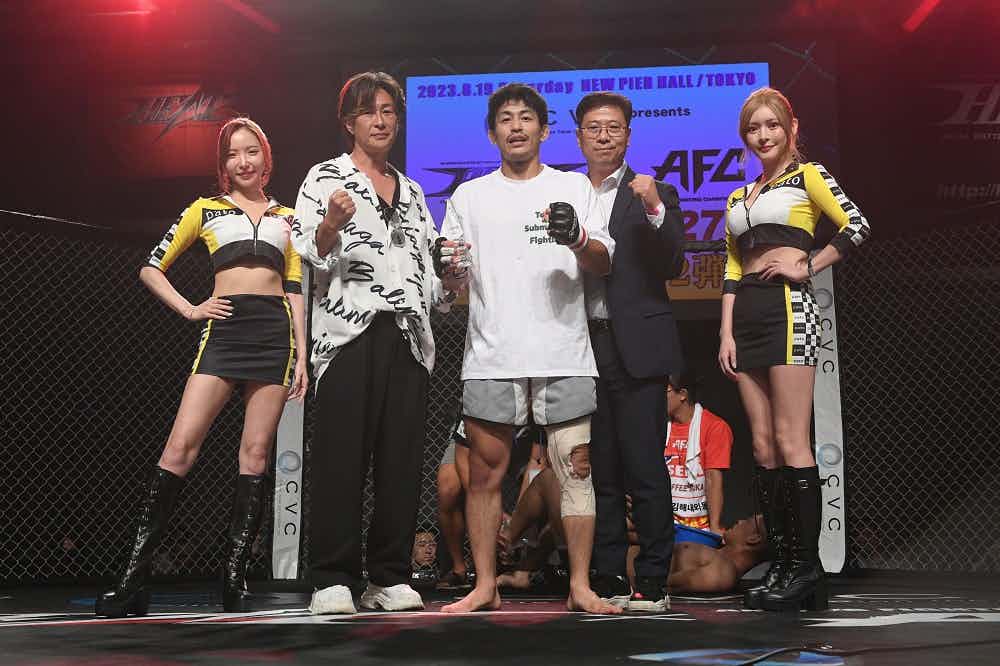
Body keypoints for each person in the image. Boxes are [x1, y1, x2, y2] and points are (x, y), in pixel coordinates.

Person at [96, 117, 308, 617]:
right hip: (224, 332)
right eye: (233, 154)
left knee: (255, 456)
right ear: (223, 165)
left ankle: (234, 581)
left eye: (251, 151)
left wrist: (303, 354)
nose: (243, 161)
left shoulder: (289, 218)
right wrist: (191, 309)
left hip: (274, 336)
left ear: (266, 156)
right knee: (179, 448)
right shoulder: (204, 209)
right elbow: (151, 268)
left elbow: (296, 289)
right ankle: (133, 581)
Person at [435, 83, 620, 615]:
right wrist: (447, 268)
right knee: (484, 476)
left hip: (564, 351)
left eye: (526, 117)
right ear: (492, 132)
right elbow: (453, 281)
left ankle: (580, 586)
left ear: (544, 128)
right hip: (492, 353)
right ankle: (484, 586)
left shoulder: (573, 186)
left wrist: (577, 238)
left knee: (576, 471)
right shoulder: (469, 196)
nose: (516, 126)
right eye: (506, 119)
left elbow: (604, 261)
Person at [292, 72, 462, 615]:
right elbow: (307, 252)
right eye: (370, 111)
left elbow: (431, 278)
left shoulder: (412, 191)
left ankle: (389, 575)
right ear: (349, 122)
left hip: (407, 336)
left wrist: (450, 276)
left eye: (389, 111)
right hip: (347, 333)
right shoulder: (325, 178)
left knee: (401, 462)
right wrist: (331, 224)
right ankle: (331, 577)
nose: (381, 120)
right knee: (341, 458)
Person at [717, 87, 870, 611]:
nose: (763, 135)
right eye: (753, 128)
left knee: (790, 439)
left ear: (791, 128)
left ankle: (808, 569)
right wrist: (725, 332)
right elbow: (732, 267)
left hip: (789, 312)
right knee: (762, 447)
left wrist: (808, 265)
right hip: (746, 319)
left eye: (772, 125)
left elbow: (856, 225)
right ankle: (782, 563)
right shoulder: (738, 196)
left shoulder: (808, 176)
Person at [574, 92, 686, 612]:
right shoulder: (567, 193)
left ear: (628, 135)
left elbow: (673, 264)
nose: (603, 136)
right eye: (594, 127)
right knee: (598, 470)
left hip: (637, 346)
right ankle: (609, 575)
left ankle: (654, 579)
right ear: (580, 136)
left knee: (644, 467)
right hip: (579, 345)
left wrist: (654, 207)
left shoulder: (654, 192)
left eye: (613, 127)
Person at [664, 371, 733, 535]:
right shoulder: (658, 425)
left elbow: (712, 478)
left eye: (664, 391)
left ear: (682, 394)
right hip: (664, 523)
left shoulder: (715, 427)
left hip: (699, 526)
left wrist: (714, 527)